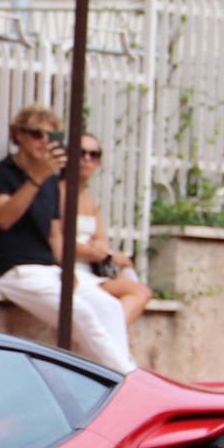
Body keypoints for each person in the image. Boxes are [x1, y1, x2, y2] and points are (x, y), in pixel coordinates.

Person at [0, 106, 137, 372]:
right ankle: (128, 378)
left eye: (51, 136)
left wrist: (66, 268)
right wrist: (35, 178)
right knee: (80, 313)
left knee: (107, 306)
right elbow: (4, 218)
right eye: (36, 134)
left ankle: (117, 377)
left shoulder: (50, 183)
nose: (44, 142)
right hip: (15, 271)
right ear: (18, 136)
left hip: (49, 270)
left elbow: (54, 234)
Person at [76, 132, 154, 324]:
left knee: (136, 288)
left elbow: (101, 239)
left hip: (92, 270)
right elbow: (60, 240)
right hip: (69, 271)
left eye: (93, 155)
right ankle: (114, 340)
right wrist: (104, 255)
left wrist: (104, 252)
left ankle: (113, 338)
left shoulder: (90, 200)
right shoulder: (59, 192)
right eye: (81, 153)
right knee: (138, 292)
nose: (87, 159)